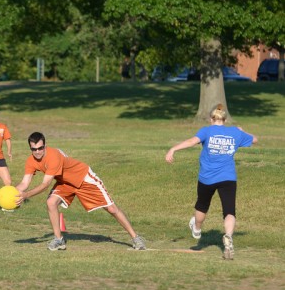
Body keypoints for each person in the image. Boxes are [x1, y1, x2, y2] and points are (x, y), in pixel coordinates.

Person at [15, 132, 146, 251]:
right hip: (65, 183)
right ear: (30, 148)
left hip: (83, 178)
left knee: (111, 209)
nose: (37, 152)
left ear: (45, 146)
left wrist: (26, 195)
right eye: (34, 149)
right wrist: (12, 193)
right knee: (51, 202)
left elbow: (45, 184)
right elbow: (25, 183)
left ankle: (136, 238)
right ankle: (59, 240)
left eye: (40, 148)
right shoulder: (30, 161)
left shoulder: (53, 156)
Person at [165, 104, 257, 260]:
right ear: (225, 119)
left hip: (207, 178)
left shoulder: (206, 131)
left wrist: (173, 149)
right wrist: (242, 131)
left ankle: (197, 228)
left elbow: (191, 141)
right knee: (229, 211)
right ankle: (228, 236)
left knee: (202, 205)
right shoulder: (234, 132)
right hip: (228, 178)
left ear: (211, 118)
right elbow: (255, 139)